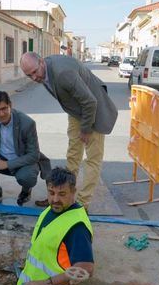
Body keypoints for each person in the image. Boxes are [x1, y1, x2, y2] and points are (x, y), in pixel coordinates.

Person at [20, 52, 118, 211]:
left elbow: (90, 102)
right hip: (76, 111)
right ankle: (62, 196)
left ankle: (82, 204)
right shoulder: (43, 70)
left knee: (92, 159)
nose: (34, 77)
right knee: (73, 154)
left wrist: (86, 129)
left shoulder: (63, 73)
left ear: (42, 61)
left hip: (94, 110)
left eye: (34, 72)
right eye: (28, 75)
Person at [16, 167, 94, 285]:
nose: (55, 199)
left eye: (62, 194)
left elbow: (86, 268)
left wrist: (45, 284)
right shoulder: (50, 211)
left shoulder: (76, 227)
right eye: (51, 193)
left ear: (73, 192)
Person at [0, 91, 51, 206]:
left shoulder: (27, 123)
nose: (1, 114)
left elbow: (34, 155)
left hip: (22, 162)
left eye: (4, 108)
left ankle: (26, 191)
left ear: (10, 105)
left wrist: (6, 164)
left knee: (27, 177)